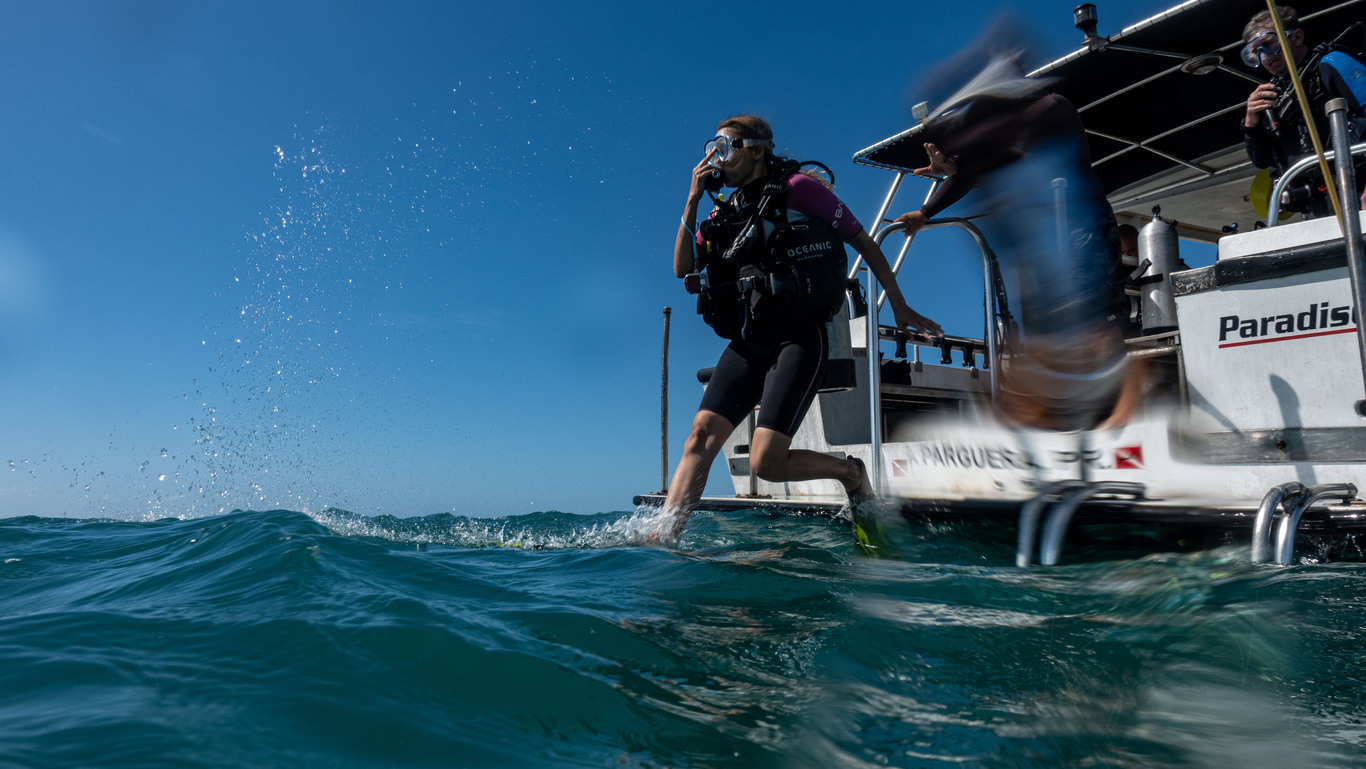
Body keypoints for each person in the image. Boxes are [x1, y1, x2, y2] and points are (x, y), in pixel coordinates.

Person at [660, 115, 941, 542]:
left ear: (757, 150)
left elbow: (863, 241)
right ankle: (664, 538)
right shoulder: (727, 210)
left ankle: (850, 472)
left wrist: (898, 304)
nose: (716, 159)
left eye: (725, 147)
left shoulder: (798, 189)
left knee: (766, 463)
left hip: (798, 338)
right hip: (749, 340)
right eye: (711, 149)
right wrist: (693, 198)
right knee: (699, 437)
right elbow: (682, 267)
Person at [892, 76, 1138, 431]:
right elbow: (977, 168)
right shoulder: (1002, 138)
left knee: (1098, 319)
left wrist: (958, 161)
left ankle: (1126, 409)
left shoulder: (1053, 107)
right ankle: (1054, 411)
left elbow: (992, 148)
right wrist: (925, 211)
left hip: (1081, 227)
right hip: (1045, 239)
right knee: (1044, 328)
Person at [1240, 7, 1366, 217]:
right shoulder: (1272, 95)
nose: (1264, 56)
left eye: (1269, 44)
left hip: (1356, 190)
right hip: (1316, 202)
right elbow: (1261, 161)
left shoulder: (1332, 64)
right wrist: (1250, 123)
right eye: (1255, 53)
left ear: (1297, 37)